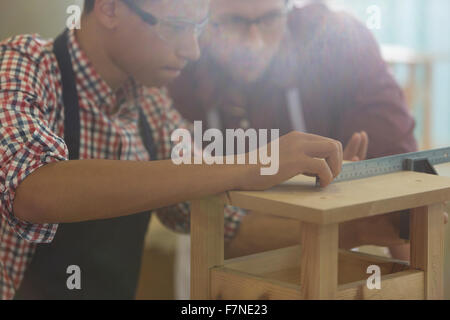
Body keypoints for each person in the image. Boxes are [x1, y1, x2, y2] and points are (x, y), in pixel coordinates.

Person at [0, 0, 345, 299]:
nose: (192, 50)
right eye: (177, 26)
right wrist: (250, 164)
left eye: (198, 28)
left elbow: (228, 226)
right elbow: (33, 190)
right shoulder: (23, 65)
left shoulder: (149, 102)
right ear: (109, 8)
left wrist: (348, 226)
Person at [169, 0, 447, 260]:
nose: (254, 42)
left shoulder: (342, 41)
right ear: (200, 16)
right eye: (232, 22)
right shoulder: (178, 56)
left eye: (270, 19)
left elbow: (400, 184)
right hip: (214, 244)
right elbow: (185, 202)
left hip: (332, 245)